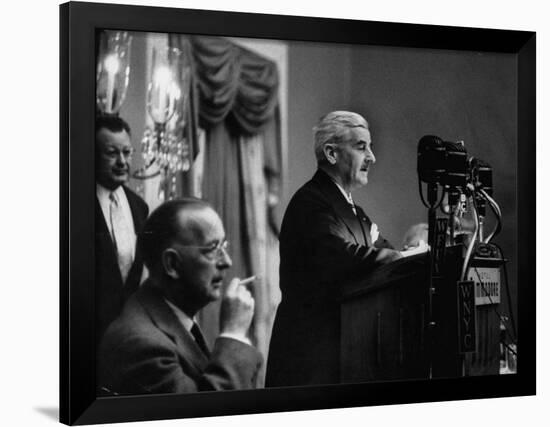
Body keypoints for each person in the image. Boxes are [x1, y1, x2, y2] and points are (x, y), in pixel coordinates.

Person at [266, 111, 411, 387]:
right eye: (361, 147)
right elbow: (338, 256)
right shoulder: (310, 201)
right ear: (331, 153)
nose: (372, 157)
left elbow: (388, 256)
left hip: (346, 353)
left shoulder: (355, 212)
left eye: (370, 147)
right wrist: (396, 257)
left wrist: (408, 255)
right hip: (310, 357)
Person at [98, 199, 262, 395]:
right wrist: (233, 333)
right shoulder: (141, 345)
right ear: (172, 264)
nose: (227, 261)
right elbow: (206, 417)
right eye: (212, 249)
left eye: (223, 246)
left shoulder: (167, 314)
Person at [95, 115, 149, 342]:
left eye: (126, 153)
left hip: (127, 334)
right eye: (111, 153)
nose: (121, 161)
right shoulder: (72, 203)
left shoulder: (139, 207)